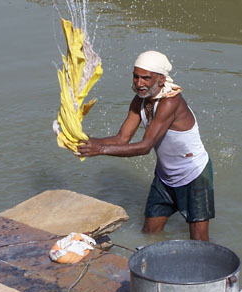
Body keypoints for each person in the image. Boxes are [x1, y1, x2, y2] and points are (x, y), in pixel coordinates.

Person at [76, 50, 215, 241]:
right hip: (165, 177)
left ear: (161, 80)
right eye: (136, 77)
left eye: (146, 78)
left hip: (194, 175)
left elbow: (145, 147)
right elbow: (121, 139)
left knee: (199, 242)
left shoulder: (170, 102)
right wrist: (86, 142)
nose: (139, 83)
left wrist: (99, 150)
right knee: (149, 234)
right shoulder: (139, 101)